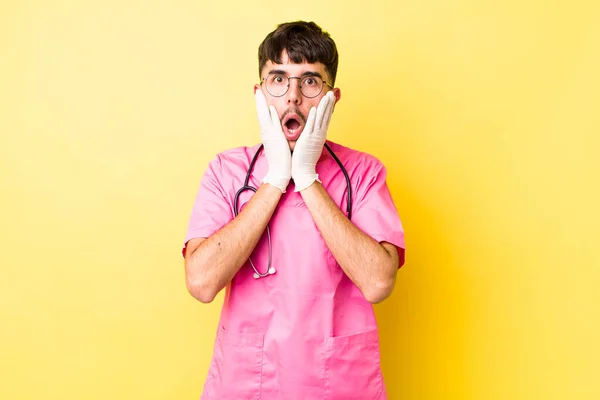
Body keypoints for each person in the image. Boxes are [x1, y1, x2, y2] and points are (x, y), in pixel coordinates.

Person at [182, 20, 405, 400]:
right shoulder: (227, 171)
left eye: (310, 81)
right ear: (259, 93)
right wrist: (274, 179)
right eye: (278, 79)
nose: (293, 97)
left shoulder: (364, 173)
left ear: (332, 97)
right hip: (247, 382)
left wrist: (306, 177)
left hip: (337, 384)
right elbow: (201, 284)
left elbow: (378, 282)